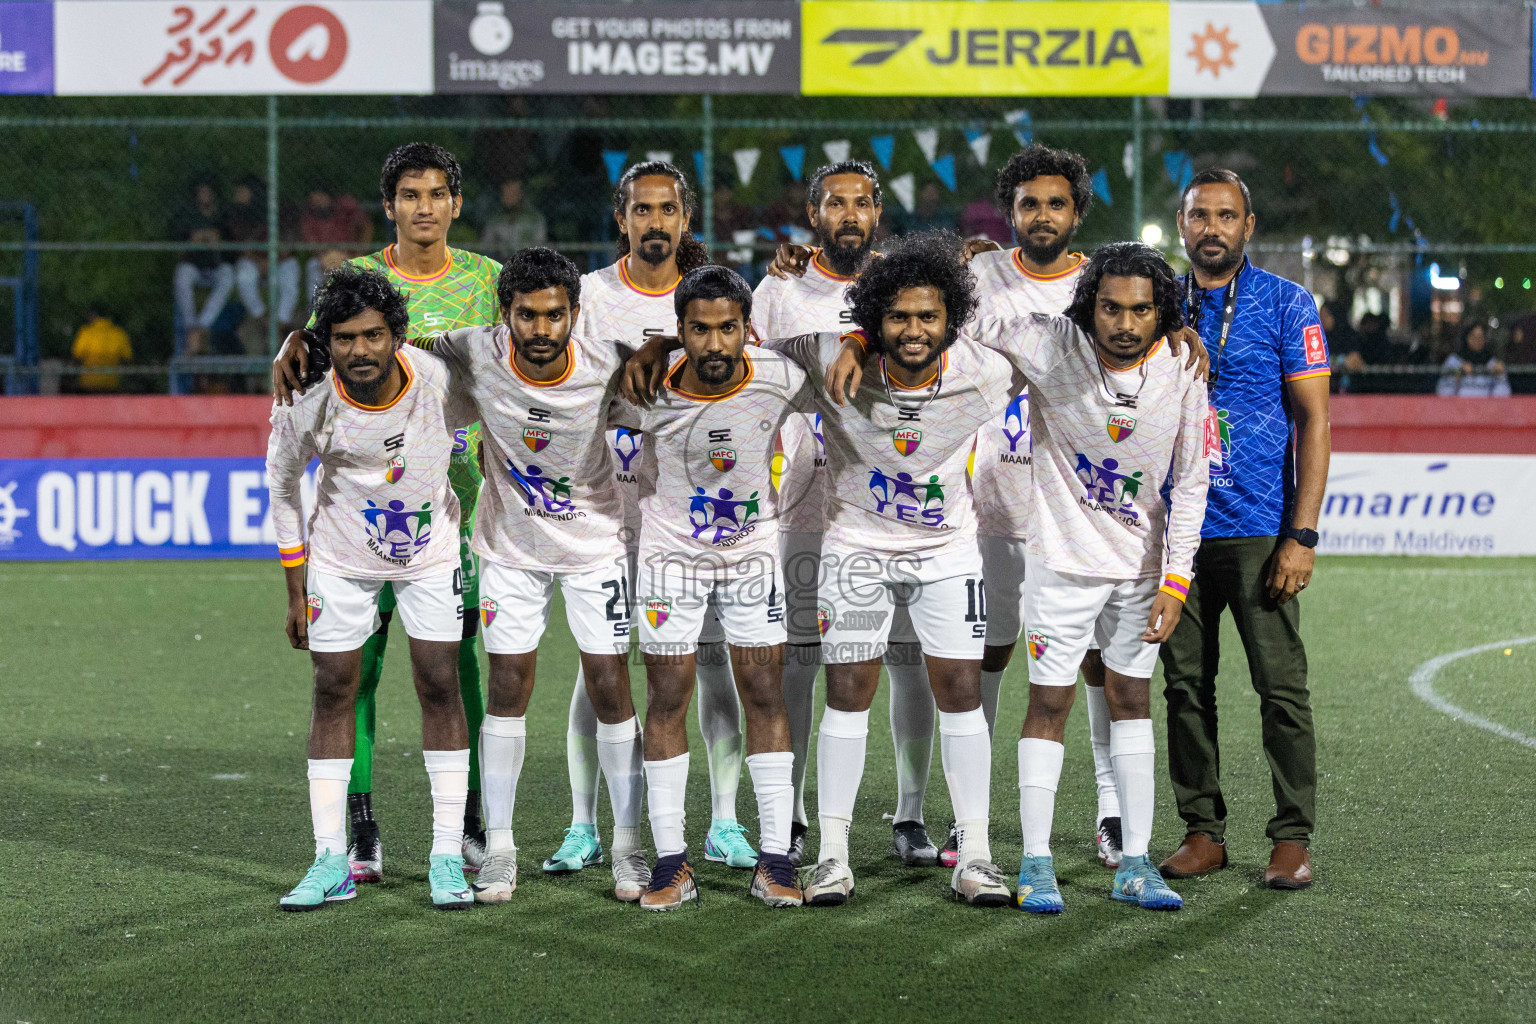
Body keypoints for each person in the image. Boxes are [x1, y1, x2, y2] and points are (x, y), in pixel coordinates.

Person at [755, 231, 1019, 907]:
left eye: (927, 317)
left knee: (959, 691)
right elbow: (746, 360)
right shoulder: (827, 359)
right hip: (856, 549)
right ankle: (834, 856)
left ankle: (978, 856)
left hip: (947, 553)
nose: (912, 330)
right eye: (896, 317)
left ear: (950, 320)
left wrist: (1175, 335)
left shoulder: (985, 372)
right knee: (848, 691)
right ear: (873, 318)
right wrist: (850, 342)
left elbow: (1070, 348)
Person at [272, 142, 501, 884]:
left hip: (459, 506)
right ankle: (361, 824)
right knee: (354, 672)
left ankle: (467, 820)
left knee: (453, 665)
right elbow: (315, 363)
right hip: (359, 514)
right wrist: (290, 341)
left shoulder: (489, 282)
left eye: (437, 194)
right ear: (391, 206)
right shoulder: (358, 283)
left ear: (456, 204)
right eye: (410, 195)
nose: (424, 207)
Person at [964, 242, 1209, 913]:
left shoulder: (1184, 369)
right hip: (1062, 568)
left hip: (1140, 577)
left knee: (1132, 702)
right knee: (1050, 705)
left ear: (1164, 314)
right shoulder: (1052, 347)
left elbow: (1189, 484)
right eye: (1110, 308)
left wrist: (1175, 581)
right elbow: (961, 317)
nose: (1124, 324)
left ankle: (1135, 862)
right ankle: (1036, 862)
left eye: (1141, 310)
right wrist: (966, 264)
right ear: (1087, 306)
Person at [411, 248, 648, 904]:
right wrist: (301, 339)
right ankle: (502, 848)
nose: (541, 330)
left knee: (609, 684)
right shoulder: (473, 350)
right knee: (508, 683)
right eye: (526, 316)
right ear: (504, 315)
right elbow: (398, 344)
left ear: (575, 313)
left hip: (595, 547)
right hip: (509, 548)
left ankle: (628, 845)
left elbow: (679, 408)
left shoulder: (612, 364)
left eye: (555, 316)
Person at [548, 161, 757, 877]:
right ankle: (584, 822)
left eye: (668, 209)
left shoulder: (712, 296)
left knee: (712, 665)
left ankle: (725, 821)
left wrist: (665, 342)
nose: (656, 222)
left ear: (686, 219)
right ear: (622, 218)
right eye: (643, 210)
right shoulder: (588, 297)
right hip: (609, 511)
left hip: (698, 519)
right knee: (600, 670)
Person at [753, 159, 941, 869]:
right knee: (801, 663)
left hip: (893, 500)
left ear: (879, 211)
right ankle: (796, 815)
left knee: (909, 661)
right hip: (804, 502)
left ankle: (911, 814)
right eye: (836, 203)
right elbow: (753, 384)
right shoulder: (779, 287)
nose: (850, 215)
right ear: (813, 215)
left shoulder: (903, 286)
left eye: (863, 202)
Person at [613, 266, 810, 910]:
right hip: (670, 560)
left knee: (763, 691)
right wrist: (652, 350)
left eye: (729, 328)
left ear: (747, 329)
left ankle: (776, 859)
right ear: (680, 332)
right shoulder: (643, 389)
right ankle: (671, 863)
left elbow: (844, 353)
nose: (716, 344)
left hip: (752, 556)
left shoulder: (781, 376)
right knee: (666, 694)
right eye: (699, 330)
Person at [1159, 168, 1332, 891]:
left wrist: (1304, 534)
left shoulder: (1290, 304)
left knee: (1281, 690)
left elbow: (1315, 421)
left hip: (1261, 528)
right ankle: (1203, 831)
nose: (1213, 228)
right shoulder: (1155, 301)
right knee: (1185, 687)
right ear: (1181, 224)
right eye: (1200, 215)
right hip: (1175, 532)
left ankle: (1291, 838)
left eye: (1226, 216)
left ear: (1248, 226)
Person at [967, 144, 1127, 872]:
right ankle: (973, 821)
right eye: (1028, 203)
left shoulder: (1105, 284)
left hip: (1078, 511)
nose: (1041, 215)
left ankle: (1111, 813)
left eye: (1055, 203)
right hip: (992, 502)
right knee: (988, 652)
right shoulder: (977, 274)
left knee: (1093, 661)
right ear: (1011, 211)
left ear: (1076, 212)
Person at [227, 175, 301, 335]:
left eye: (242, 191)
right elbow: (239, 245)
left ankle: (281, 324)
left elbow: (290, 242)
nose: (237, 195)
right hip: (254, 261)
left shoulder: (281, 209)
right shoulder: (236, 214)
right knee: (244, 275)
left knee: (291, 271)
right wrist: (258, 260)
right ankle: (265, 321)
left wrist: (275, 259)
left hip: (279, 260)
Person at [171, 176, 234, 356]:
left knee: (228, 276)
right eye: (201, 192)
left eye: (208, 192)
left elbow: (234, 246)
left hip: (217, 266)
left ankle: (201, 326)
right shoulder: (188, 214)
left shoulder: (223, 214)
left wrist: (218, 239)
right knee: (182, 275)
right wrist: (193, 239)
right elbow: (177, 242)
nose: (205, 196)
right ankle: (192, 327)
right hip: (194, 266)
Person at [301, 189, 375, 300]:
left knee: (359, 271)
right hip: (323, 257)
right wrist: (324, 259)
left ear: (328, 196)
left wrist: (360, 253)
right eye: (314, 202)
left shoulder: (345, 204)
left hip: (350, 255)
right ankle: (316, 312)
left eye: (320, 199)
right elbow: (312, 242)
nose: (318, 204)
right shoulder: (310, 214)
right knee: (312, 266)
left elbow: (367, 227)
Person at [478, 178, 548, 258]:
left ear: (521, 194)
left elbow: (540, 244)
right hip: (501, 263)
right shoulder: (495, 219)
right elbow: (487, 245)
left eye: (512, 193)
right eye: (505, 193)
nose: (508, 197)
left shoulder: (534, 218)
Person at [1437, 322, 1511, 397]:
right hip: (1460, 406)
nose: (1477, 340)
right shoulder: (1454, 361)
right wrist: (1457, 376)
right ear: (1466, 337)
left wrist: (1500, 377)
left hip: (1486, 407)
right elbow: (1443, 393)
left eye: (1480, 336)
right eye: (1473, 336)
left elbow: (1503, 396)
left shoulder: (1492, 362)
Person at [70, 309, 132, 393]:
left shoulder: (86, 332)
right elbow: (127, 358)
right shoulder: (119, 333)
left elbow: (77, 356)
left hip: (89, 383)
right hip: (112, 383)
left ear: (93, 315)